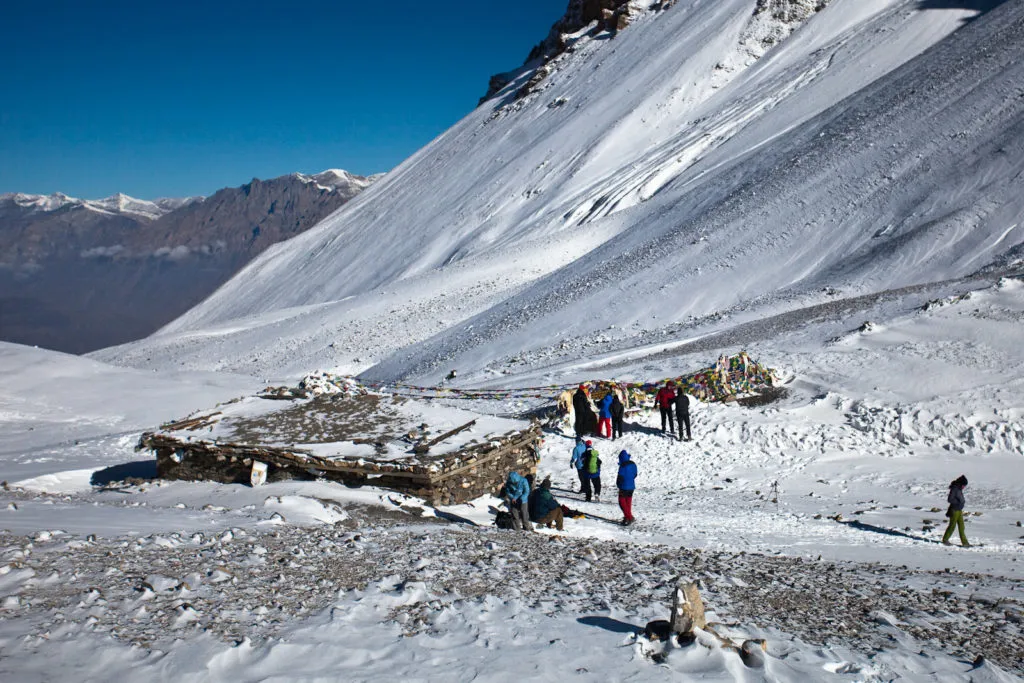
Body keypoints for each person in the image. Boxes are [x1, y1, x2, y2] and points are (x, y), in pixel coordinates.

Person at [942, 475, 970, 547]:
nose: (964, 487)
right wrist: (958, 502)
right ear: (961, 483)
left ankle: (965, 543)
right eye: (964, 485)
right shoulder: (955, 489)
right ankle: (945, 539)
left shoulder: (959, 488)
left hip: (959, 510)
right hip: (954, 510)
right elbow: (950, 499)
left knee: (961, 526)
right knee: (952, 526)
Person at [616, 450, 637, 526]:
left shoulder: (622, 466)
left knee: (622, 502)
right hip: (631, 486)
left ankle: (629, 517)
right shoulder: (633, 464)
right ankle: (627, 517)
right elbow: (635, 474)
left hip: (623, 487)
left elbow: (620, 477)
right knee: (628, 502)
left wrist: (618, 484)